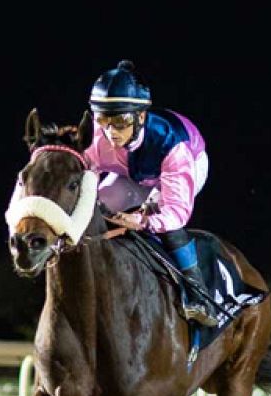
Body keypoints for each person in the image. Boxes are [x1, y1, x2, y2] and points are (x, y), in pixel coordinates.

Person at [83, 60, 218, 326]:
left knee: (163, 222)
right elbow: (81, 178)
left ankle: (198, 295)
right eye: (102, 119)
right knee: (96, 207)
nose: (111, 133)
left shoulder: (171, 144)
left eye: (120, 121)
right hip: (132, 173)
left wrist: (143, 220)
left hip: (185, 164)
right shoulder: (97, 138)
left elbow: (177, 213)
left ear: (140, 116)